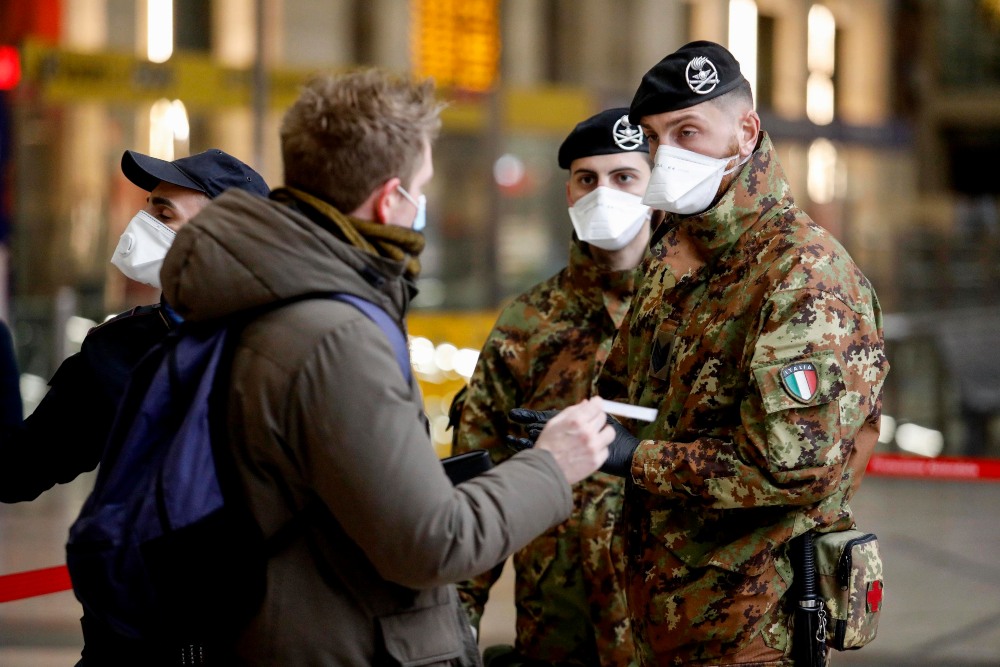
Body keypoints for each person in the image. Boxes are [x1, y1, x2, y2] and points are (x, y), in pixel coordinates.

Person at [155, 68, 614, 665]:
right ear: (389, 198)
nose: (420, 205)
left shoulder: (269, 292)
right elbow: (432, 543)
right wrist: (553, 466)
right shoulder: (336, 335)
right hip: (337, 644)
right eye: (421, 186)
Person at [513, 41, 889, 666]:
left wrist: (634, 458)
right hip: (655, 616)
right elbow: (636, 391)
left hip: (750, 632)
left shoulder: (803, 275)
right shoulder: (673, 249)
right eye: (658, 139)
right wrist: (587, 427)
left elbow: (790, 469)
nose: (670, 154)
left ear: (746, 130)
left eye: (689, 131)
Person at [452, 108, 650, 667]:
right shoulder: (527, 323)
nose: (603, 192)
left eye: (624, 177)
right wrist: (450, 630)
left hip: (666, 634)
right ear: (569, 192)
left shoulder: (694, 315)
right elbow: (476, 483)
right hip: (552, 634)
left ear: (655, 189)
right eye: (587, 179)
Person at [0, 148, 269, 502]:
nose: (140, 224)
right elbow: (17, 471)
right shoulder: (116, 350)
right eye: (148, 208)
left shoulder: (285, 343)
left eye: (163, 214)